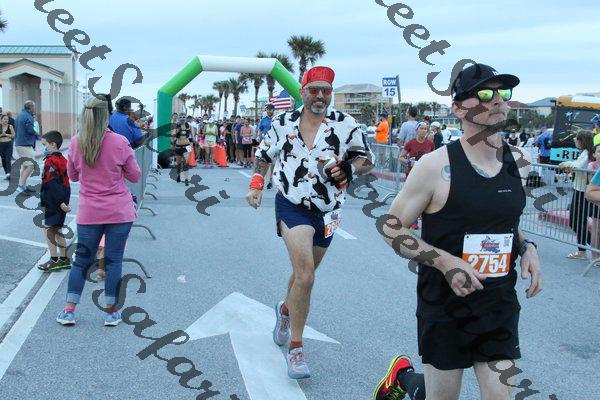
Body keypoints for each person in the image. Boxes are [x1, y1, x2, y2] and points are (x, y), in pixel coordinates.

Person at [373, 63, 542, 400]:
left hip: (497, 304)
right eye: (484, 93)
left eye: (502, 92)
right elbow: (390, 227)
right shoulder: (435, 166)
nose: (497, 100)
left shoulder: (520, 161)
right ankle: (404, 378)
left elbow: (505, 221)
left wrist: (528, 248)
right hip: (445, 305)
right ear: (458, 108)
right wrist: (445, 262)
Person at [246, 65, 373, 379]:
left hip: (328, 211)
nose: (320, 96)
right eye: (314, 90)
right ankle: (296, 348)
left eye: (325, 91)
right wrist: (257, 184)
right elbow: (263, 155)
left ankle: (285, 310)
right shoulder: (283, 122)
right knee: (306, 275)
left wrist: (349, 168)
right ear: (302, 92)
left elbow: (365, 159)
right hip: (292, 205)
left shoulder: (346, 124)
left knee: (303, 275)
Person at [56, 96, 141, 327]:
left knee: (82, 261)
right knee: (113, 261)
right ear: (107, 116)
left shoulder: (76, 142)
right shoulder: (120, 142)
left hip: (89, 212)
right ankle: (111, 312)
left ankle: (69, 310)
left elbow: (73, 176)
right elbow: (135, 176)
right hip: (119, 211)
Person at [37, 131, 72, 272]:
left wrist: (60, 202)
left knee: (49, 230)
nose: (43, 147)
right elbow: (65, 183)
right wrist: (64, 201)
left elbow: (52, 183)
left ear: (53, 145)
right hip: (62, 197)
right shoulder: (62, 159)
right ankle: (64, 259)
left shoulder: (50, 160)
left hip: (54, 201)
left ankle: (53, 260)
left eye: (44, 144)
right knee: (57, 230)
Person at [559, 131, 594, 260]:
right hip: (580, 189)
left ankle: (590, 248)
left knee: (576, 221)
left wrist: (566, 164)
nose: (575, 141)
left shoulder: (587, 153)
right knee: (578, 221)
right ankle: (585, 249)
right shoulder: (585, 153)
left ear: (581, 141)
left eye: (577, 139)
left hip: (582, 191)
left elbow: (578, 166)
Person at [14, 100, 38, 193]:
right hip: (25, 144)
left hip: (19, 143)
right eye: (34, 107)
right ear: (30, 107)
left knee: (25, 165)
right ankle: (20, 186)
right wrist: (36, 132)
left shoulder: (19, 115)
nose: (34, 109)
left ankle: (23, 186)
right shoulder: (28, 116)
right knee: (31, 165)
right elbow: (30, 130)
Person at [257, 104, 276, 188]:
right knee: (265, 162)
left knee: (273, 163)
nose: (268, 111)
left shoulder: (276, 119)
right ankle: (264, 179)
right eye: (267, 109)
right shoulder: (263, 120)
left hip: (274, 143)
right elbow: (260, 129)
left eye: (270, 109)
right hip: (265, 143)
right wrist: (258, 136)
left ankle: (270, 178)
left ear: (273, 110)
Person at [0, 114, 15, 180]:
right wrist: (1, 135)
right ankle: (7, 174)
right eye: (4, 119)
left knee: (8, 159)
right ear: (1, 120)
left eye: (7, 119)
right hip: (1, 145)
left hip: (8, 144)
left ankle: (9, 173)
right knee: (3, 159)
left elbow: (13, 135)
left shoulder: (10, 126)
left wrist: (6, 134)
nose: (6, 120)